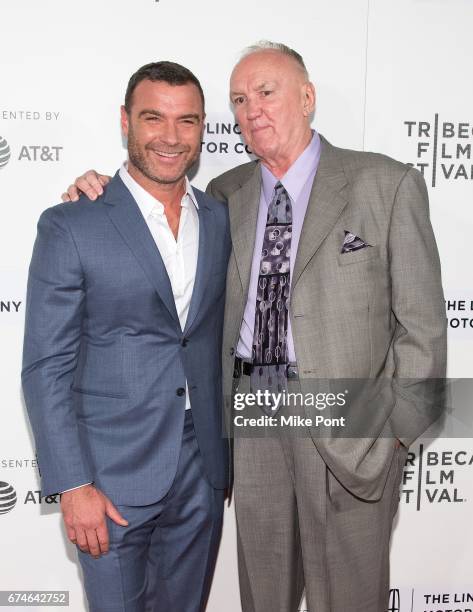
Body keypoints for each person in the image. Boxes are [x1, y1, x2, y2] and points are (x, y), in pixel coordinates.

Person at [62, 42, 447, 612]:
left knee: (351, 601)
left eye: (267, 92)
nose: (253, 110)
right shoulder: (224, 197)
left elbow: (423, 327)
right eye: (240, 100)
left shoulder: (384, 184)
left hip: (350, 428)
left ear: (308, 97)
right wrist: (95, 192)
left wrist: (390, 438)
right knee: (263, 598)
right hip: (253, 424)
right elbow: (149, 220)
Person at [22, 61, 231, 612]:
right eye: (152, 118)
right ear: (125, 122)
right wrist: (72, 484)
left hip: (201, 470)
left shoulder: (219, 217)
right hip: (107, 479)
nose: (170, 136)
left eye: (187, 121)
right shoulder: (72, 224)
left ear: (204, 128)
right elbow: (46, 366)